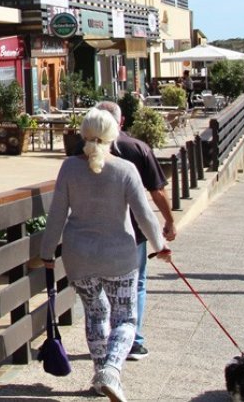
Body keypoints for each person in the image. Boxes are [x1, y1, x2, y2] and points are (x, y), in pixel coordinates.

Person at [42, 108, 170, 402]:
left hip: (79, 255)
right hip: (119, 256)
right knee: (125, 319)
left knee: (95, 313)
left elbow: (57, 214)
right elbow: (144, 216)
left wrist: (47, 252)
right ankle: (111, 370)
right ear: (114, 135)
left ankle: (100, 379)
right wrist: (160, 245)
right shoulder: (125, 169)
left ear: (83, 134)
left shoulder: (69, 168)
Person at [68, 101, 177, 361]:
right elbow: (154, 195)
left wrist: (48, 251)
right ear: (120, 122)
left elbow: (65, 202)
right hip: (128, 238)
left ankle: (103, 353)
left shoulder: (76, 154)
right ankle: (131, 343)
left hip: (84, 243)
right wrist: (165, 231)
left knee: (96, 306)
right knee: (133, 290)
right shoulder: (137, 149)